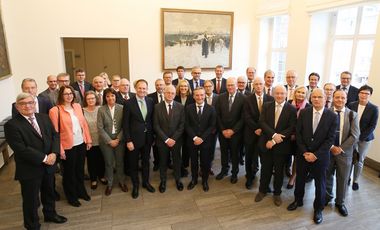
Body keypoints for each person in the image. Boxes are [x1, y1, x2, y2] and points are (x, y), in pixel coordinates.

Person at [5, 93, 67, 229]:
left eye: (30, 103)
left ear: (34, 104)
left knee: (49, 192)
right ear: (17, 106)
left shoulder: (43, 118)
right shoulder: (12, 125)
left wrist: (54, 153)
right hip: (30, 168)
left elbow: (54, 136)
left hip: (49, 165)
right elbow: (21, 149)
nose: (27, 106)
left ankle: (50, 214)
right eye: (23, 103)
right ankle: (32, 224)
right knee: (31, 199)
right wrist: (45, 158)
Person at [287, 88, 337, 225]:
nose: (316, 99)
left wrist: (315, 155)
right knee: (300, 179)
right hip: (303, 154)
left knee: (320, 184)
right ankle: (298, 200)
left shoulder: (332, 116)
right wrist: (304, 152)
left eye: (319, 97)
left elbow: (330, 140)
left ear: (325, 98)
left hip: (320, 158)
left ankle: (318, 209)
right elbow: (298, 134)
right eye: (314, 97)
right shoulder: (304, 113)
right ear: (311, 98)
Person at [49, 85, 92, 207]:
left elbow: (84, 125)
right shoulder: (55, 110)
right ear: (61, 96)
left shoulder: (77, 106)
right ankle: (71, 196)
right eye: (66, 94)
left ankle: (81, 192)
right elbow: (55, 133)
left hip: (80, 143)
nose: (69, 96)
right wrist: (60, 149)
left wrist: (88, 140)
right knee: (69, 173)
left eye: (71, 93)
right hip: (67, 146)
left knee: (80, 170)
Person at [254, 85, 297, 206]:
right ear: (273, 94)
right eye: (277, 93)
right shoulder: (267, 106)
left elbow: (291, 128)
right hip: (266, 143)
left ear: (286, 94)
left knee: (279, 171)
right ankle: (262, 191)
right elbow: (262, 122)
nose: (279, 96)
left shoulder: (291, 109)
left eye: (282, 93)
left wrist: (274, 140)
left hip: (282, 146)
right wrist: (273, 136)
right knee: (265, 169)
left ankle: (277, 193)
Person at [325, 89, 360, 217]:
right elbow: (322, 133)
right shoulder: (327, 113)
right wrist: (332, 147)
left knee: (343, 178)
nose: (340, 100)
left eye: (342, 98)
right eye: (337, 97)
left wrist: (340, 148)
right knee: (327, 175)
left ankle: (340, 202)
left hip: (345, 153)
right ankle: (327, 198)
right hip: (328, 152)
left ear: (346, 100)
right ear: (333, 98)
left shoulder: (353, 115)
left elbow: (355, 135)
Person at [123, 79, 156, 199]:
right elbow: (125, 124)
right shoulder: (128, 103)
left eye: (144, 88)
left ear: (147, 89)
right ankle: (135, 186)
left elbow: (151, 120)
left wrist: (153, 136)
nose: (142, 90)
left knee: (146, 162)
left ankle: (146, 182)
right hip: (134, 140)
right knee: (133, 164)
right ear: (135, 89)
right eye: (140, 88)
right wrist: (128, 141)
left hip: (147, 139)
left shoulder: (150, 101)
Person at [153, 85, 185, 193]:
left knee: (177, 161)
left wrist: (173, 139)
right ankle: (163, 181)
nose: (170, 95)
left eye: (172, 93)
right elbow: (156, 125)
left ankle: (178, 180)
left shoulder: (180, 107)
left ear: (175, 94)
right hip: (162, 141)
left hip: (176, 140)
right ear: (164, 93)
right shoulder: (157, 107)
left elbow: (182, 125)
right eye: (168, 93)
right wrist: (166, 139)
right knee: (163, 161)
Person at [244, 77, 274, 190]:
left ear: (264, 85)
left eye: (260, 84)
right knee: (250, 157)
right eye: (256, 84)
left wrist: (263, 129)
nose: (258, 86)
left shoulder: (270, 99)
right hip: (251, 133)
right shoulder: (247, 99)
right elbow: (246, 116)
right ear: (253, 86)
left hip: (266, 134)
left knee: (266, 160)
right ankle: (250, 178)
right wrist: (256, 128)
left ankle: (265, 183)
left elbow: (271, 118)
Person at [348, 85, 379, 190]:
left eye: (367, 93)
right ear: (358, 93)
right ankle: (347, 177)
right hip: (350, 137)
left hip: (364, 139)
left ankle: (355, 180)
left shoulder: (374, 108)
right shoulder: (351, 105)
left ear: (370, 95)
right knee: (349, 158)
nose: (364, 95)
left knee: (359, 160)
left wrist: (359, 137)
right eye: (362, 92)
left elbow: (372, 126)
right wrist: (352, 136)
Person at [185, 87, 216, 192]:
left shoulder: (211, 108)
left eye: (202, 95)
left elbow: (212, 126)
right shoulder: (188, 108)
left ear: (205, 96)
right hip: (192, 140)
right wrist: (194, 137)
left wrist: (202, 138)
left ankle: (205, 181)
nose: (199, 97)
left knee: (205, 161)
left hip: (205, 140)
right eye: (197, 95)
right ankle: (193, 179)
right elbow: (187, 125)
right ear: (193, 96)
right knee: (193, 161)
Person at [97, 88, 126, 196]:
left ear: (116, 96)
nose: (110, 98)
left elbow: (125, 126)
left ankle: (122, 182)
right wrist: (109, 141)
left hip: (120, 140)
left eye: (112, 96)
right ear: (105, 98)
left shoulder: (122, 108)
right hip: (106, 141)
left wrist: (118, 139)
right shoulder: (101, 109)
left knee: (120, 162)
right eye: (108, 96)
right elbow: (100, 128)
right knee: (109, 163)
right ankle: (109, 184)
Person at [215, 77, 245, 184]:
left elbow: (243, 118)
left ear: (236, 85)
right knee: (223, 152)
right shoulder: (220, 97)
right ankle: (224, 170)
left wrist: (233, 131)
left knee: (235, 153)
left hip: (236, 133)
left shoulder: (243, 98)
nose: (230, 87)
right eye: (228, 85)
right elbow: (217, 115)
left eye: (232, 85)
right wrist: (223, 130)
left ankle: (234, 173)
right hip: (222, 132)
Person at [286, 86, 311, 189]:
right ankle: (286, 170)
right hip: (287, 135)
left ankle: (293, 177)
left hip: (300, 137)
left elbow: (306, 125)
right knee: (286, 155)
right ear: (295, 93)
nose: (300, 94)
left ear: (306, 95)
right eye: (298, 92)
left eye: (303, 93)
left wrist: (295, 135)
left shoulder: (309, 107)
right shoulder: (288, 102)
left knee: (297, 158)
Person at [82, 91, 106, 190]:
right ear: (85, 100)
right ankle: (93, 179)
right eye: (88, 99)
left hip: (101, 139)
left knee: (101, 159)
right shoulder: (82, 110)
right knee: (91, 161)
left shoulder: (101, 109)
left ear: (96, 99)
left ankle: (101, 176)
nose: (91, 100)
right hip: (89, 140)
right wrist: (87, 140)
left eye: (92, 98)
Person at [175, 79, 195, 177]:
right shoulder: (175, 97)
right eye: (181, 86)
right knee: (178, 149)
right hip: (177, 128)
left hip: (188, 128)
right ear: (179, 87)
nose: (183, 88)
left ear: (188, 88)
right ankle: (178, 167)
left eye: (185, 86)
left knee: (187, 149)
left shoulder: (192, 98)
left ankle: (185, 166)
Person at [148, 79, 166, 171]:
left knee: (166, 145)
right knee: (155, 145)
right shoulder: (150, 97)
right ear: (155, 86)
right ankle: (157, 163)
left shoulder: (169, 95)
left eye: (161, 85)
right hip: (155, 124)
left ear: (164, 85)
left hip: (166, 125)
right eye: (157, 85)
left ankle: (168, 162)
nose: (159, 86)